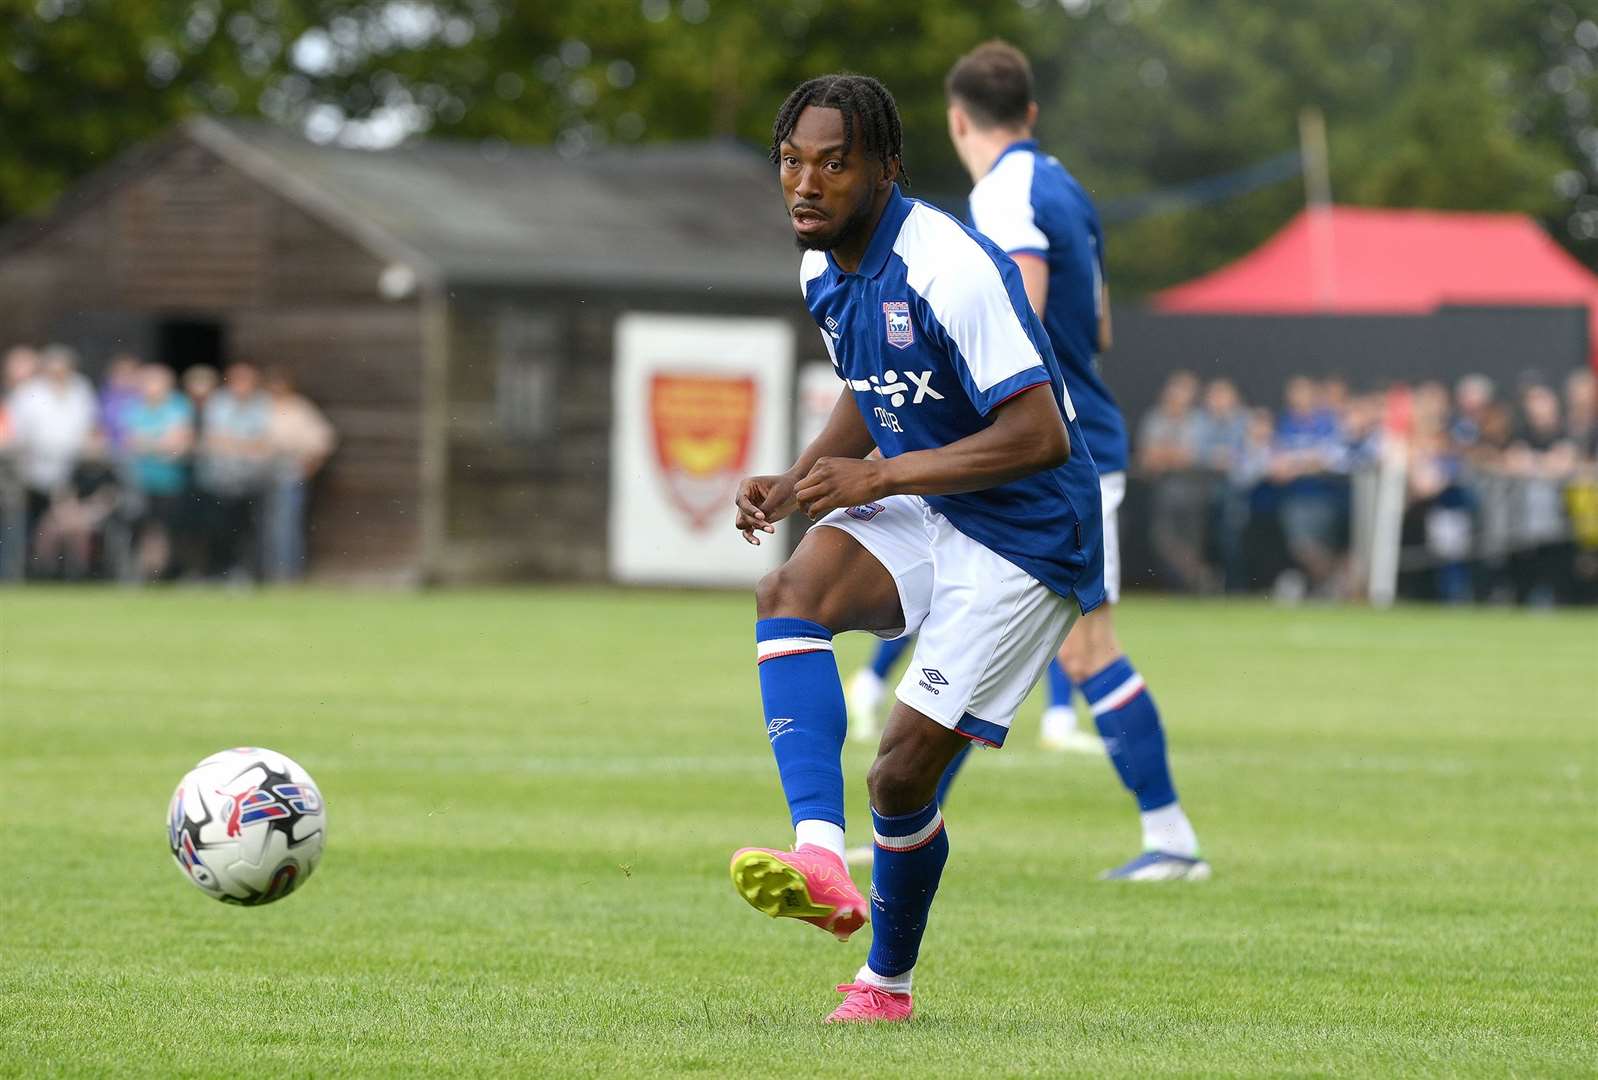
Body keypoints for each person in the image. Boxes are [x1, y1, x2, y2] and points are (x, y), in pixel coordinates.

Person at [728, 72, 1104, 1023]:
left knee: (897, 774)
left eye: (834, 164)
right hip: (937, 500)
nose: (807, 184)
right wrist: (802, 473)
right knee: (790, 590)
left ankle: (885, 985)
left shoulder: (951, 264)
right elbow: (870, 378)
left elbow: (1041, 436)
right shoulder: (820, 268)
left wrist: (881, 478)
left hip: (1027, 533)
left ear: (887, 168)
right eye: (792, 162)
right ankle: (817, 851)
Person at [944, 40, 1207, 874]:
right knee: (997, 642)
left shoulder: (1005, 191)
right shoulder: (1063, 186)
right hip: (1078, 435)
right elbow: (1097, 328)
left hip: (1054, 451)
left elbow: (1022, 303)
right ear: (1028, 112)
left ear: (958, 120)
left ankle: (1171, 842)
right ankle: (900, 826)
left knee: (1068, 646)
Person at [6, 345, 96, 573]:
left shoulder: (81, 389)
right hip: (33, 473)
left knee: (67, 524)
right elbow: (17, 433)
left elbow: (90, 427)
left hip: (73, 471)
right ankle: (38, 571)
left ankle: (71, 573)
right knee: (38, 525)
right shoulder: (28, 393)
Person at [195, 362, 270, 580]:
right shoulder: (218, 403)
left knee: (248, 530)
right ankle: (216, 572)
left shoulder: (261, 405)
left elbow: (264, 442)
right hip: (218, 481)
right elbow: (214, 438)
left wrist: (234, 444)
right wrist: (245, 445)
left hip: (251, 482)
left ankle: (245, 573)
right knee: (217, 529)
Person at [262, 368, 335, 582]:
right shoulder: (261, 407)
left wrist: (310, 466)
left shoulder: (300, 408)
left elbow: (323, 439)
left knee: (286, 525)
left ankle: (287, 573)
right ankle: (265, 571)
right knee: (262, 526)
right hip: (259, 472)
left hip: (289, 471)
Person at [125, 364, 194, 580]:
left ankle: (168, 574)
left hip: (170, 482)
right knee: (142, 530)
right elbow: (131, 442)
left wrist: (149, 444)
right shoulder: (134, 407)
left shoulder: (179, 406)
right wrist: (160, 444)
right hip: (140, 481)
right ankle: (143, 574)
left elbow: (177, 445)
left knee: (168, 531)